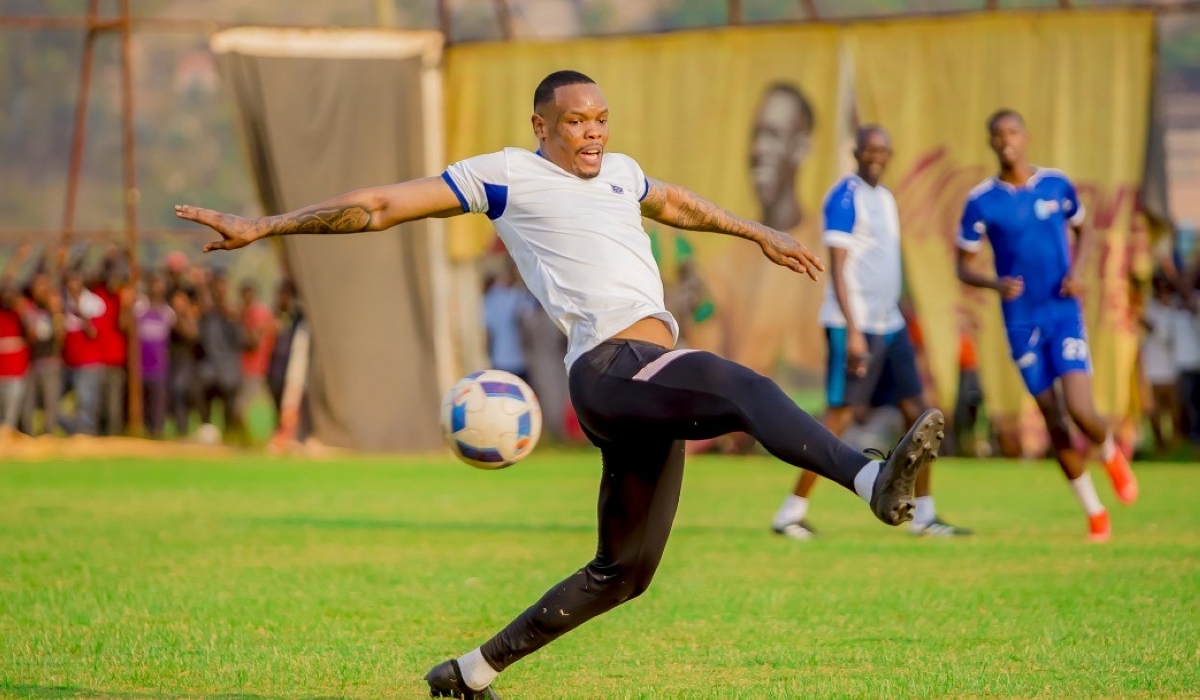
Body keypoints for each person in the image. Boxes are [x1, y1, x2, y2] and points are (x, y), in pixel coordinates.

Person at [177, 70, 946, 699]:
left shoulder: (620, 174)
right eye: (577, 122)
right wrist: (268, 226)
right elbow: (380, 207)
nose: (594, 134)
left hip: (644, 383)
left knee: (624, 575)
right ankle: (872, 478)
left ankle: (472, 672)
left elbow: (672, 202)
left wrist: (758, 232)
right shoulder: (505, 175)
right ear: (542, 126)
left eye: (602, 119)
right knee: (740, 384)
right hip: (612, 370)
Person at [771, 126, 970, 539]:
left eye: (883, 150)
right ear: (857, 152)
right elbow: (839, 267)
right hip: (854, 326)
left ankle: (925, 515)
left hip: (890, 324)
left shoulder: (886, 198)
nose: (876, 156)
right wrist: (856, 330)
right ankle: (791, 511)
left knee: (921, 416)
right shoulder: (845, 197)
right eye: (869, 149)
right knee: (838, 417)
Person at [956, 109, 1138, 542]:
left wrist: (1077, 271)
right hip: (1021, 323)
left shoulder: (1057, 185)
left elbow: (1084, 230)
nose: (1006, 140)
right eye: (997, 134)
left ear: (1025, 135)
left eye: (1012, 132)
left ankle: (1110, 451)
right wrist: (993, 283)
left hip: (1062, 313)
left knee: (1079, 408)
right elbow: (962, 266)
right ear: (990, 142)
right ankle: (1094, 512)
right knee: (1053, 419)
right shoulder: (981, 201)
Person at [136, 271, 176, 438]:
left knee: (158, 403)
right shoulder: (139, 308)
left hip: (159, 366)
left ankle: (157, 432)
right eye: (154, 283)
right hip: (139, 365)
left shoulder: (168, 312)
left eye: (160, 284)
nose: (157, 288)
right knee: (141, 402)